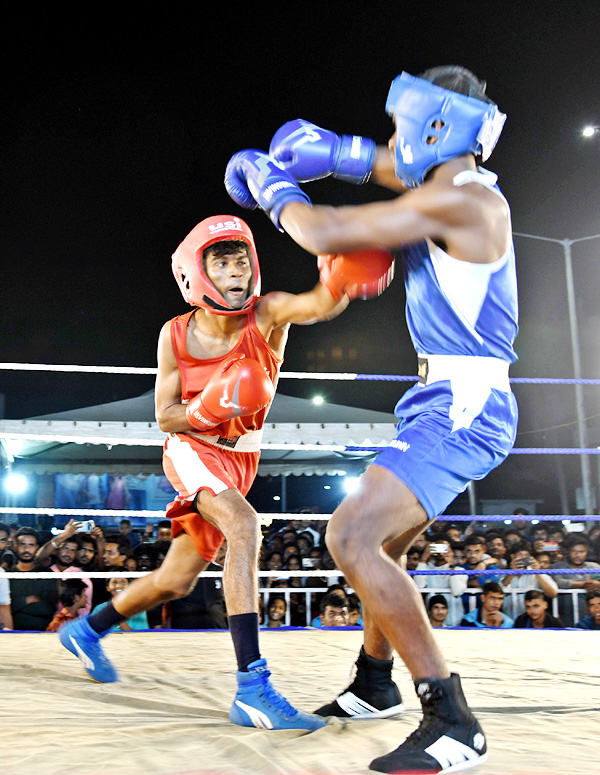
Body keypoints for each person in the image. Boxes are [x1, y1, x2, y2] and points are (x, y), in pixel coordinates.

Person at [226, 64, 516, 772]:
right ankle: (374, 680)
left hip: (465, 404)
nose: (392, 142)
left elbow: (324, 229)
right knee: (393, 543)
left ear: (435, 126)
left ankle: (451, 718)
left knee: (352, 534)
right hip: (439, 397)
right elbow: (390, 165)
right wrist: (339, 151)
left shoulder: (464, 203)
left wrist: (274, 186)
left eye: (400, 127)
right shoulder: (450, 185)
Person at [58, 213, 387, 733]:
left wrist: (343, 275)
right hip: (191, 447)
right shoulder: (176, 335)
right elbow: (164, 416)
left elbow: (319, 305)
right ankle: (252, 688)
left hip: (243, 457)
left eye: (241, 261)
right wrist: (207, 410)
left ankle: (88, 630)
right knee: (244, 525)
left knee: (176, 580)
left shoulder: (269, 314)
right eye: (222, 263)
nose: (236, 272)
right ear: (197, 274)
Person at [9, 527, 58, 631]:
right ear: (15, 546)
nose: (26, 549)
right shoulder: (7, 575)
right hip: (12, 634)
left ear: (37, 547)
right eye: (23, 544)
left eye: (31, 545)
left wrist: (16, 605)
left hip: (42, 633)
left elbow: (48, 609)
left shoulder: (47, 574)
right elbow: (4, 608)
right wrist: (28, 600)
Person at [413, 536, 468, 626]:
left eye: (444, 548)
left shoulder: (459, 570)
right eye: (437, 547)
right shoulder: (426, 568)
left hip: (455, 620)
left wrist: (451, 564)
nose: (441, 551)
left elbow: (457, 591)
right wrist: (424, 558)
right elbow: (418, 586)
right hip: (433, 619)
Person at [500, 539, 558, 618]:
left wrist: (537, 573)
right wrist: (512, 572)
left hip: (531, 620)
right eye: (520, 555)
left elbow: (553, 593)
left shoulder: (536, 573)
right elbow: (499, 589)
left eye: (526, 555)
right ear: (512, 556)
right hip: (509, 619)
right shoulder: (505, 573)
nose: (524, 558)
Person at [552, 535, 600, 626]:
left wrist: (598, 584)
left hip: (592, 619)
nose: (578, 555)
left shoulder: (594, 567)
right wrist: (583, 584)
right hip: (567, 615)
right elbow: (559, 583)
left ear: (586, 552)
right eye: (574, 551)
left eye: (582, 552)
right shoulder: (558, 567)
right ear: (567, 552)